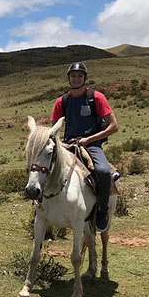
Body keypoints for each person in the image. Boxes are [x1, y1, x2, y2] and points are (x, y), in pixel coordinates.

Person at [51, 61, 118, 232]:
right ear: (68, 78)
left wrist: (90, 139)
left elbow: (113, 126)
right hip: (67, 145)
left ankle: (102, 211)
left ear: (85, 78)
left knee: (103, 172)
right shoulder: (62, 101)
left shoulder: (96, 97)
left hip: (91, 145)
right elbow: (54, 129)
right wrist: (60, 143)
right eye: (73, 76)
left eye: (79, 76)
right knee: (43, 168)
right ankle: (39, 210)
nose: (76, 79)